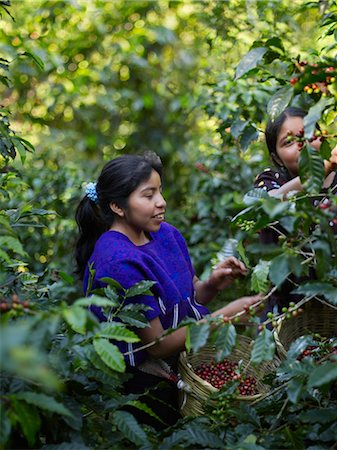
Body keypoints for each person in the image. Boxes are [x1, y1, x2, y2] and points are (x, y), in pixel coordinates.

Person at [75, 152, 261, 429]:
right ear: (117, 206)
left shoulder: (165, 234)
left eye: (159, 191)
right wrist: (226, 317)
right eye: (148, 195)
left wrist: (210, 285)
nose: (161, 202)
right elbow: (158, 345)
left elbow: (188, 297)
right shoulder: (118, 260)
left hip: (183, 364)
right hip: (146, 386)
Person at [254, 106, 337, 317]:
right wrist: (322, 169)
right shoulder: (270, 182)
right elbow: (268, 205)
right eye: (288, 142)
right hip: (289, 314)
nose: (303, 144)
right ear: (278, 158)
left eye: (308, 134)